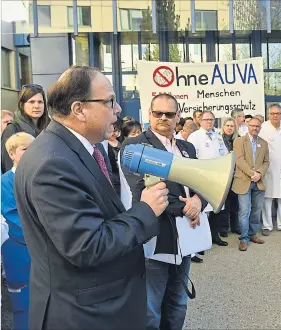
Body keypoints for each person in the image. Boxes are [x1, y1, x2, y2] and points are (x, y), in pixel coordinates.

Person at [13, 66, 168, 330]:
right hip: (84, 315)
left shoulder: (70, 149)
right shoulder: (54, 163)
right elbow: (88, 246)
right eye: (109, 101)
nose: (118, 109)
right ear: (79, 109)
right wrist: (146, 210)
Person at [121, 93, 207, 329]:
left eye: (169, 114)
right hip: (156, 236)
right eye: (158, 113)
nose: (163, 118)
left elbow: (205, 182)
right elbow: (142, 189)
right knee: (151, 305)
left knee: (178, 302)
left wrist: (199, 200)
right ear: (149, 115)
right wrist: (187, 207)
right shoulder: (135, 146)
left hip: (186, 237)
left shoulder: (187, 147)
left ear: (177, 116)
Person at [1, 132, 35, 330]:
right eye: (25, 149)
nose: (31, 153)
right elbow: (12, 217)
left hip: (40, 248)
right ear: (12, 154)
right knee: (23, 302)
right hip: (18, 249)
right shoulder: (5, 183)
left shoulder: (39, 177)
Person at [187, 111, 230, 246]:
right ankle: (201, 239)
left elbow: (224, 153)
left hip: (217, 177)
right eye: (206, 119)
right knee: (203, 209)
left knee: (216, 208)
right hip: (203, 177)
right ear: (200, 121)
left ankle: (214, 236)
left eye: (211, 119)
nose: (209, 122)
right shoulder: (194, 137)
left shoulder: (217, 136)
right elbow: (192, 157)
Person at [232, 117, 269, 251]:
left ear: (260, 128)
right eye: (252, 126)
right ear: (248, 126)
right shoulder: (239, 141)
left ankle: (252, 234)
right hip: (244, 181)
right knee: (244, 211)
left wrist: (259, 173)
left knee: (256, 210)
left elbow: (266, 162)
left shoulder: (264, 143)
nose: (255, 128)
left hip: (258, 182)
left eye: (257, 126)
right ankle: (243, 238)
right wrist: (252, 173)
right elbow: (239, 160)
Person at [258, 104, 281, 235]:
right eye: (272, 114)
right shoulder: (263, 128)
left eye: (278, 113)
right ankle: (267, 226)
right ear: (268, 115)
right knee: (267, 198)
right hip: (268, 169)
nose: (275, 116)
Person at [1, 84, 50, 173]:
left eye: (40, 102)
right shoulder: (12, 129)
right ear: (22, 104)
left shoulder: (50, 127)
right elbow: (7, 165)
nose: (36, 106)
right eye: (31, 102)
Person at [219, 117, 240, 236]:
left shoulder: (239, 139)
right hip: (224, 175)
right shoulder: (218, 139)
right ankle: (223, 228)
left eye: (232, 126)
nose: (229, 128)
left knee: (235, 204)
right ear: (223, 127)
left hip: (236, 175)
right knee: (225, 204)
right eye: (227, 125)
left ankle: (235, 226)